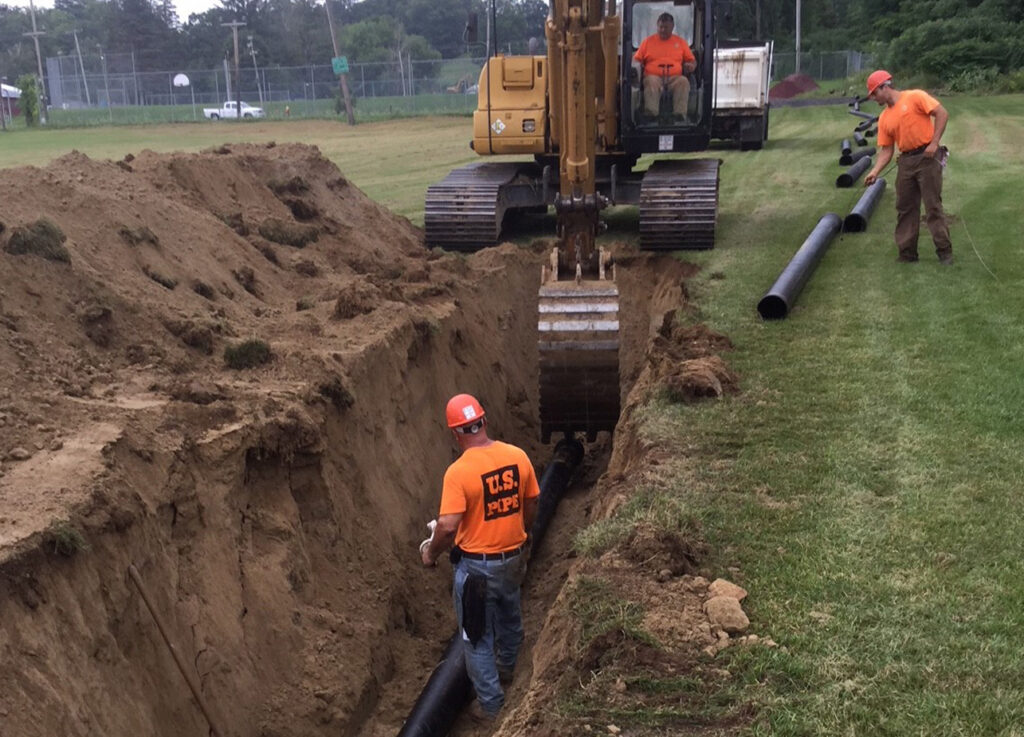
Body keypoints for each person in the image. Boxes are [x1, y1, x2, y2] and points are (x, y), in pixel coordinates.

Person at [420, 393, 540, 721]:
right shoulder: (517, 456)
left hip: (477, 569)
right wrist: (523, 532)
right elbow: (531, 503)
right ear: (484, 422)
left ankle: (492, 707)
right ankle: (509, 671)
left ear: (455, 433)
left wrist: (431, 553)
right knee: (510, 616)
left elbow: (446, 527)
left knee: (476, 638)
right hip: (513, 558)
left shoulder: (459, 473)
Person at [863, 70, 953, 265]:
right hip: (905, 161)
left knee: (932, 207)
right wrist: (874, 172)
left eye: (875, 94)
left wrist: (934, 142)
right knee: (905, 208)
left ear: (884, 87)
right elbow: (887, 151)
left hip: (927, 158)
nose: (874, 99)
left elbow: (942, 113)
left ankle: (944, 252)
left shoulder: (915, 97)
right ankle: (907, 254)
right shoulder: (885, 117)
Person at [633, 12, 697, 118]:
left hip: (674, 78)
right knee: (651, 82)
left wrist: (691, 65)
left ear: (672, 27)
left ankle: (679, 115)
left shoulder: (680, 43)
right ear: (657, 26)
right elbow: (636, 60)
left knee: (683, 82)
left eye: (666, 27)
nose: (663, 30)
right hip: (654, 77)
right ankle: (651, 115)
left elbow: (692, 60)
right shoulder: (647, 42)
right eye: (661, 27)